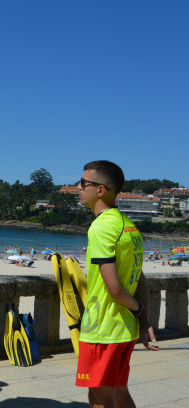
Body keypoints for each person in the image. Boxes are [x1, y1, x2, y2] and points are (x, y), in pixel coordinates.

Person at [75, 160, 158, 408]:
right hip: (125, 330)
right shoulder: (128, 225)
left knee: (99, 397)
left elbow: (115, 289)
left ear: (101, 190)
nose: (78, 187)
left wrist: (138, 309)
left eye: (83, 183)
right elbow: (139, 277)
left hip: (103, 328)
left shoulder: (101, 227)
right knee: (120, 393)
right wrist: (143, 321)